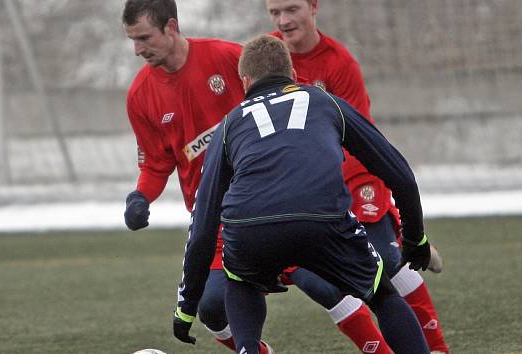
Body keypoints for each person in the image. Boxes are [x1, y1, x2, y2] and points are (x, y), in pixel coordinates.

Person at [122, 0, 389, 352]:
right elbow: (156, 164)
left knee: (325, 286)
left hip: (275, 197)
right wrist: (140, 196)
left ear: (171, 27)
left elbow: (294, 92)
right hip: (223, 221)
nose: (138, 49)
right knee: (211, 307)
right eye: (132, 40)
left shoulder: (226, 57)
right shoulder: (140, 96)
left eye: (144, 38)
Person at [174, 34, 432, 354]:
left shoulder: (230, 124)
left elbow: (203, 221)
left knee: (242, 283)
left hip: (251, 228)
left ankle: (248, 348)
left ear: (244, 82)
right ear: (293, 76)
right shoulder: (325, 101)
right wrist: (416, 239)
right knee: (383, 296)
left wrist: (186, 305)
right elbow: (400, 174)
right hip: (322, 219)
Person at [265, 0, 449, 352]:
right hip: (303, 188)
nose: (284, 20)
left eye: (291, 9)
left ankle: (437, 346)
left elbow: (357, 140)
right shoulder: (268, 56)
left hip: (354, 175)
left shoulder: (339, 62)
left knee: (382, 264)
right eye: (275, 12)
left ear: (313, 6)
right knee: (322, 283)